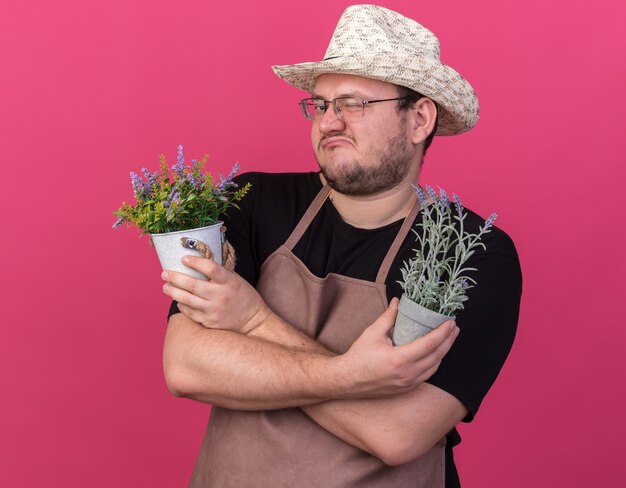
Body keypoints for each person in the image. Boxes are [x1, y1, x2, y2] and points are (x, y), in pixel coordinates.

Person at [161, 4, 522, 487]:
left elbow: (398, 433)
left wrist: (253, 321)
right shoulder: (252, 203)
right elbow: (186, 366)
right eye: (321, 104)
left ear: (418, 120)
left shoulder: (469, 254)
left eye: (353, 103)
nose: (329, 121)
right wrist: (354, 376)